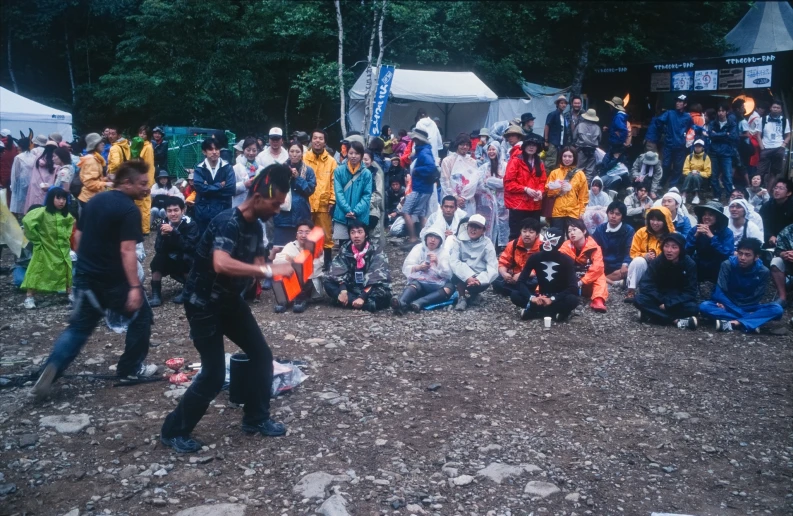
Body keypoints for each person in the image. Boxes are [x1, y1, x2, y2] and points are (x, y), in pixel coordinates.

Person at [160, 164, 295, 452]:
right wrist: (271, 270)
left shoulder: (256, 227)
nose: (277, 211)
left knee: (261, 355)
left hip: (231, 303)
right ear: (258, 196)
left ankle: (256, 418)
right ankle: (173, 431)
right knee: (212, 374)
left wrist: (284, 268)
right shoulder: (227, 222)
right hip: (203, 304)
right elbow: (220, 262)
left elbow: (259, 268)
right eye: (275, 204)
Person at [32, 161, 157, 399]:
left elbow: (77, 236)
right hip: (114, 281)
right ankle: (130, 368)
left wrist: (88, 264)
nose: (147, 187)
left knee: (78, 328)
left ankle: (52, 368)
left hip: (86, 277)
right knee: (141, 318)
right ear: (127, 182)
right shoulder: (130, 210)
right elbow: (127, 251)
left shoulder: (95, 201)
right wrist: (134, 287)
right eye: (142, 183)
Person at [700, 238, 783, 333]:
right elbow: (719, 293)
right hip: (728, 304)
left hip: (749, 306)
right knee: (704, 306)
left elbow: (756, 297)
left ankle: (736, 322)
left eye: (747, 255)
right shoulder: (727, 265)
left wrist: (741, 309)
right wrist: (740, 311)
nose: (742, 258)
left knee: (777, 309)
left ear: (756, 257)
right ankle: (750, 321)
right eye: (740, 253)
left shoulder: (763, 271)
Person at [20, 188, 74, 309]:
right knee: (37, 269)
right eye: (58, 198)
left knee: (66, 269)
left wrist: (65, 238)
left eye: (64, 199)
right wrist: (37, 240)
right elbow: (27, 222)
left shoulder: (66, 215)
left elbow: (69, 226)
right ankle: (29, 297)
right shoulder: (42, 212)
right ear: (51, 199)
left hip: (61, 249)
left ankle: (70, 292)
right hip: (44, 247)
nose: (61, 202)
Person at [324, 219, 391, 312]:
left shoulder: (376, 250)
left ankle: (351, 301)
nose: (356, 236)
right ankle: (361, 304)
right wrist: (343, 290)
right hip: (352, 286)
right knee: (327, 282)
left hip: (370, 288)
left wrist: (362, 297)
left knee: (383, 293)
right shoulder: (345, 248)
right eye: (353, 232)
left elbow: (376, 276)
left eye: (360, 232)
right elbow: (338, 270)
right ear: (349, 235)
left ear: (366, 234)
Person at [634, 233, 699, 330]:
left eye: (674, 247)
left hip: (677, 300)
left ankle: (652, 315)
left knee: (693, 308)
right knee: (638, 299)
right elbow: (646, 283)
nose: (669, 251)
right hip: (659, 297)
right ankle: (675, 321)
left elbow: (690, 292)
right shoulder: (658, 261)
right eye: (666, 246)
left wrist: (669, 304)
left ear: (680, 249)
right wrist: (661, 301)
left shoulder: (689, 264)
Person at [517, 226, 580, 322]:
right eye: (545, 239)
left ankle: (536, 313)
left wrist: (553, 299)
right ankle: (555, 314)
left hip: (558, 297)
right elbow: (521, 281)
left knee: (573, 299)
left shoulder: (566, 260)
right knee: (515, 295)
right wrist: (532, 297)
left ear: (559, 243)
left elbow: (573, 287)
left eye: (552, 241)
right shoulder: (535, 257)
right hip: (541, 297)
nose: (547, 243)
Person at [149, 196, 199, 306]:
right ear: (165, 212)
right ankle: (156, 295)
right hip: (170, 257)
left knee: (186, 257)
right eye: (169, 211)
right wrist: (162, 237)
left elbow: (189, 247)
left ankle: (187, 290)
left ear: (183, 210)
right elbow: (158, 248)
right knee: (157, 259)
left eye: (176, 210)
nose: (173, 214)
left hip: (186, 258)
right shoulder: (163, 224)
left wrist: (174, 233)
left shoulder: (190, 224)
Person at [391, 227, 453, 314]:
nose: (432, 240)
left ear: (440, 241)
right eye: (430, 237)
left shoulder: (444, 252)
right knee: (414, 284)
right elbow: (407, 267)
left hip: (438, 284)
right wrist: (419, 267)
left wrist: (437, 263)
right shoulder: (419, 248)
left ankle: (420, 302)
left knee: (449, 287)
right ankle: (401, 302)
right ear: (426, 238)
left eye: (436, 238)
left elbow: (448, 274)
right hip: (421, 282)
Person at [273, 220, 325, 313]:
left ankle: (301, 299)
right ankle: (284, 300)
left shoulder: (317, 248)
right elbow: (278, 261)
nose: (303, 235)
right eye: (300, 232)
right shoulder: (290, 246)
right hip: (292, 280)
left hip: (309, 282)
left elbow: (314, 267)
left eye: (307, 232)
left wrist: (292, 261)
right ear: (296, 235)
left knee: (304, 273)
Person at [624, 206, 675, 301]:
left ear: (666, 221)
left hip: (664, 267)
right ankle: (631, 290)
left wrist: (659, 258)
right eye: (652, 219)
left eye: (659, 220)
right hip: (646, 265)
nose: (655, 223)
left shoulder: (673, 236)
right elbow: (633, 252)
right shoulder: (641, 232)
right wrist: (645, 256)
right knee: (637, 261)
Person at [448, 214, 498, 310]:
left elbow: (493, 266)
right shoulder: (459, 240)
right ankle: (462, 297)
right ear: (467, 227)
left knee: (489, 279)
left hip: (479, 275)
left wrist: (479, 279)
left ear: (483, 230)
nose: (473, 230)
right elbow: (454, 261)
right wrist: (467, 276)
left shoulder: (487, 243)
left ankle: (474, 295)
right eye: (471, 226)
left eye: (477, 227)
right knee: (454, 272)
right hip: (462, 274)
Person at [273, 140, 316, 249]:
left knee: (301, 250)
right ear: (288, 152)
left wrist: (298, 178)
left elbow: (310, 190)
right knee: (280, 249)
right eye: (292, 151)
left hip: (301, 215)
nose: (294, 154)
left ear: (302, 153)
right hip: (282, 217)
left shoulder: (308, 171)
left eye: (297, 151)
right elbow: (273, 189)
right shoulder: (280, 169)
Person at [305, 129, 337, 271]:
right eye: (315, 138)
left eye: (320, 138)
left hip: (324, 203)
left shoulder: (331, 161)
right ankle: (307, 260)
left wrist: (332, 200)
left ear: (325, 142)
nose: (317, 141)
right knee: (307, 232)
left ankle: (328, 261)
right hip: (307, 202)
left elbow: (334, 182)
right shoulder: (304, 158)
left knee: (326, 233)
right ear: (311, 140)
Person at [400, 128, 437, 249]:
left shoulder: (424, 152)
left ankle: (413, 238)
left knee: (405, 211)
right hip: (425, 187)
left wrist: (416, 170)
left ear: (419, 140)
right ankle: (425, 238)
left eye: (415, 139)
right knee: (421, 213)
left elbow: (431, 167)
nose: (413, 140)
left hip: (420, 188)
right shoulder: (423, 150)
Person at [561, 219, 608, 312]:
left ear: (584, 231)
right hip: (572, 279)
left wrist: (582, 282)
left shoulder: (594, 246)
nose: (571, 233)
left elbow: (598, 268)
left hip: (586, 281)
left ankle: (598, 299)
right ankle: (542, 293)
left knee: (600, 275)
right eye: (569, 231)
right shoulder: (566, 245)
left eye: (574, 229)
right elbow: (558, 261)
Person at [504, 134, 546, 238]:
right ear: (524, 146)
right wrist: (525, 189)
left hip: (534, 205)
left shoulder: (539, 162)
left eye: (534, 145)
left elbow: (543, 181)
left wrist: (541, 191)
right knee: (516, 235)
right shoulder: (515, 161)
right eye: (529, 145)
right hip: (518, 204)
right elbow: (508, 184)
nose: (531, 147)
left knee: (534, 234)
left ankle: (532, 254)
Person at [493, 217, 542, 303]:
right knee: (495, 278)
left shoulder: (542, 247)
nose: (527, 234)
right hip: (514, 275)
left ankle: (518, 290)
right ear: (520, 232)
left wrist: (522, 275)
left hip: (529, 277)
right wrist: (505, 274)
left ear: (537, 234)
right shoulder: (513, 244)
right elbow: (503, 261)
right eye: (524, 231)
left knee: (538, 281)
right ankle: (524, 292)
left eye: (531, 232)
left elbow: (541, 269)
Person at [193, 137, 236, 234]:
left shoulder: (228, 168)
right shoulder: (199, 169)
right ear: (204, 152)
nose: (214, 152)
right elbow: (199, 188)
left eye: (217, 149)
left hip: (223, 210)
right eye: (211, 149)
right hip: (204, 212)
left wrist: (208, 188)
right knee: (203, 241)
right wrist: (219, 186)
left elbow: (231, 189)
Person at [332, 140, 372, 244]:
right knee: (343, 246)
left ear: (361, 155)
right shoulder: (339, 171)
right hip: (342, 215)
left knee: (359, 246)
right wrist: (347, 210)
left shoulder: (366, 173)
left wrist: (356, 211)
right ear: (347, 154)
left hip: (360, 215)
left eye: (357, 153)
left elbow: (367, 195)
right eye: (351, 153)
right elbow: (338, 192)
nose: (353, 156)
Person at [686, 201, 733, 283]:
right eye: (704, 214)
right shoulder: (695, 229)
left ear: (717, 217)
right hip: (699, 261)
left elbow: (727, 253)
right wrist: (696, 236)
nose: (706, 217)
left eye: (710, 215)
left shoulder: (726, 232)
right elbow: (686, 251)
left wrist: (712, 237)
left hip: (717, 263)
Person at [545, 146, 587, 235]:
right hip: (557, 211)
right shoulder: (554, 173)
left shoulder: (580, 174)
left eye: (570, 156)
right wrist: (558, 189)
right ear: (561, 157)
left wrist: (581, 211)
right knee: (556, 238)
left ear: (574, 158)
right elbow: (548, 193)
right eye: (564, 156)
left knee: (573, 238)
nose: (567, 159)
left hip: (573, 211)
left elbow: (583, 196)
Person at [592, 201, 635, 286]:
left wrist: (625, 264)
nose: (613, 216)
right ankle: (611, 282)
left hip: (619, 265)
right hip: (602, 263)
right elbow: (593, 246)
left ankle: (599, 280)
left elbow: (630, 249)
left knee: (628, 270)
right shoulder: (600, 228)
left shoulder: (628, 230)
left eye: (618, 214)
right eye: (611, 213)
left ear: (622, 217)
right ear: (607, 213)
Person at [656, 95, 695, 188]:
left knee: (678, 167)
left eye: (680, 101)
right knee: (665, 165)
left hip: (680, 145)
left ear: (685, 104)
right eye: (677, 101)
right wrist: (664, 131)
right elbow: (658, 121)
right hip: (669, 144)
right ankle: (662, 183)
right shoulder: (669, 113)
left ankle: (672, 185)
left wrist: (685, 136)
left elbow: (691, 127)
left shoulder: (688, 116)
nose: (677, 103)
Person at [480, 141, 509, 249]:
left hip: (502, 201)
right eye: (489, 150)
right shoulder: (484, 167)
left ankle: (502, 247)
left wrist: (490, 181)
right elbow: (481, 183)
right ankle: (489, 247)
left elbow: (506, 183)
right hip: (488, 202)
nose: (491, 152)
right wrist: (489, 184)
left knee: (502, 223)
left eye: (493, 149)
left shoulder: (505, 166)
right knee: (489, 224)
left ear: (498, 151)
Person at [757, 100, 791, 187]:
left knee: (774, 173)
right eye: (774, 107)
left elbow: (788, 135)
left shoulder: (784, 120)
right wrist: (762, 147)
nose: (775, 109)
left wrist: (783, 145)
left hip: (778, 148)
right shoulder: (763, 119)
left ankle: (768, 192)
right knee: (760, 172)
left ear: (781, 110)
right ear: (770, 108)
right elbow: (758, 135)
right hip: (766, 148)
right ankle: (759, 190)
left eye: (778, 108)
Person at [708, 103, 738, 200]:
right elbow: (710, 135)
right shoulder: (713, 123)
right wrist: (725, 134)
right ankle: (717, 195)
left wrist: (717, 134)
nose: (720, 113)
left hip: (726, 152)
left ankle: (730, 196)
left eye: (723, 111)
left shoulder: (732, 123)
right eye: (719, 111)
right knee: (714, 176)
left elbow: (733, 136)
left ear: (726, 112)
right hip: (714, 152)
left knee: (728, 176)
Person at [76, 133, 109, 212]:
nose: (103, 144)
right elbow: (89, 183)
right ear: (95, 145)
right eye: (100, 142)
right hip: (89, 200)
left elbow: (95, 179)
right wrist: (107, 184)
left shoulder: (95, 158)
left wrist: (107, 179)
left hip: (92, 199)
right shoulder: (92, 160)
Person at [25, 141, 58, 213]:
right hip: (47, 186)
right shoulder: (55, 161)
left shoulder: (38, 158)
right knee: (44, 204)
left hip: (36, 183)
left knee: (33, 203)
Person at [759, 178, 793, 248]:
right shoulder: (767, 206)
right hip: (769, 239)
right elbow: (761, 224)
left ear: (789, 193)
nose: (777, 190)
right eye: (776, 188)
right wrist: (769, 236)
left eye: (781, 188)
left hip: (788, 242)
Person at [572, 108, 601, 180]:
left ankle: (577, 185)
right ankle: (587, 187)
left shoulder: (580, 125)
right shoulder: (597, 128)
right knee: (590, 171)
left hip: (581, 150)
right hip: (592, 151)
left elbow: (574, 137)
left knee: (578, 169)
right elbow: (600, 139)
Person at [544, 95, 571, 170]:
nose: (563, 105)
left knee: (558, 164)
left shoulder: (563, 116)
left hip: (561, 144)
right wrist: (546, 140)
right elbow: (547, 126)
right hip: (553, 143)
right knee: (550, 163)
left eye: (565, 103)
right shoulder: (553, 114)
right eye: (561, 103)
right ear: (558, 104)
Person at [232, 137, 260, 209]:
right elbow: (230, 189)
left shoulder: (261, 169)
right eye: (248, 150)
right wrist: (244, 185)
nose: (251, 153)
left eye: (254, 150)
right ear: (243, 150)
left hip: (256, 207)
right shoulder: (236, 168)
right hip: (239, 207)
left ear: (257, 151)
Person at [681, 139, 711, 205]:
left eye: (699, 146)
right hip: (690, 175)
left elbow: (708, 173)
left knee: (696, 176)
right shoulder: (689, 156)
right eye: (696, 146)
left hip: (701, 177)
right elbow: (685, 170)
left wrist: (699, 173)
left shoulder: (706, 157)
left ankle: (696, 196)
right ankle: (684, 195)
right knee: (690, 175)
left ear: (702, 148)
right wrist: (691, 172)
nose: (697, 148)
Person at [770, 221, 793, 307]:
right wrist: (783, 254)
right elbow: (778, 249)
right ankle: (783, 297)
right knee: (776, 262)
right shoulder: (789, 229)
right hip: (790, 263)